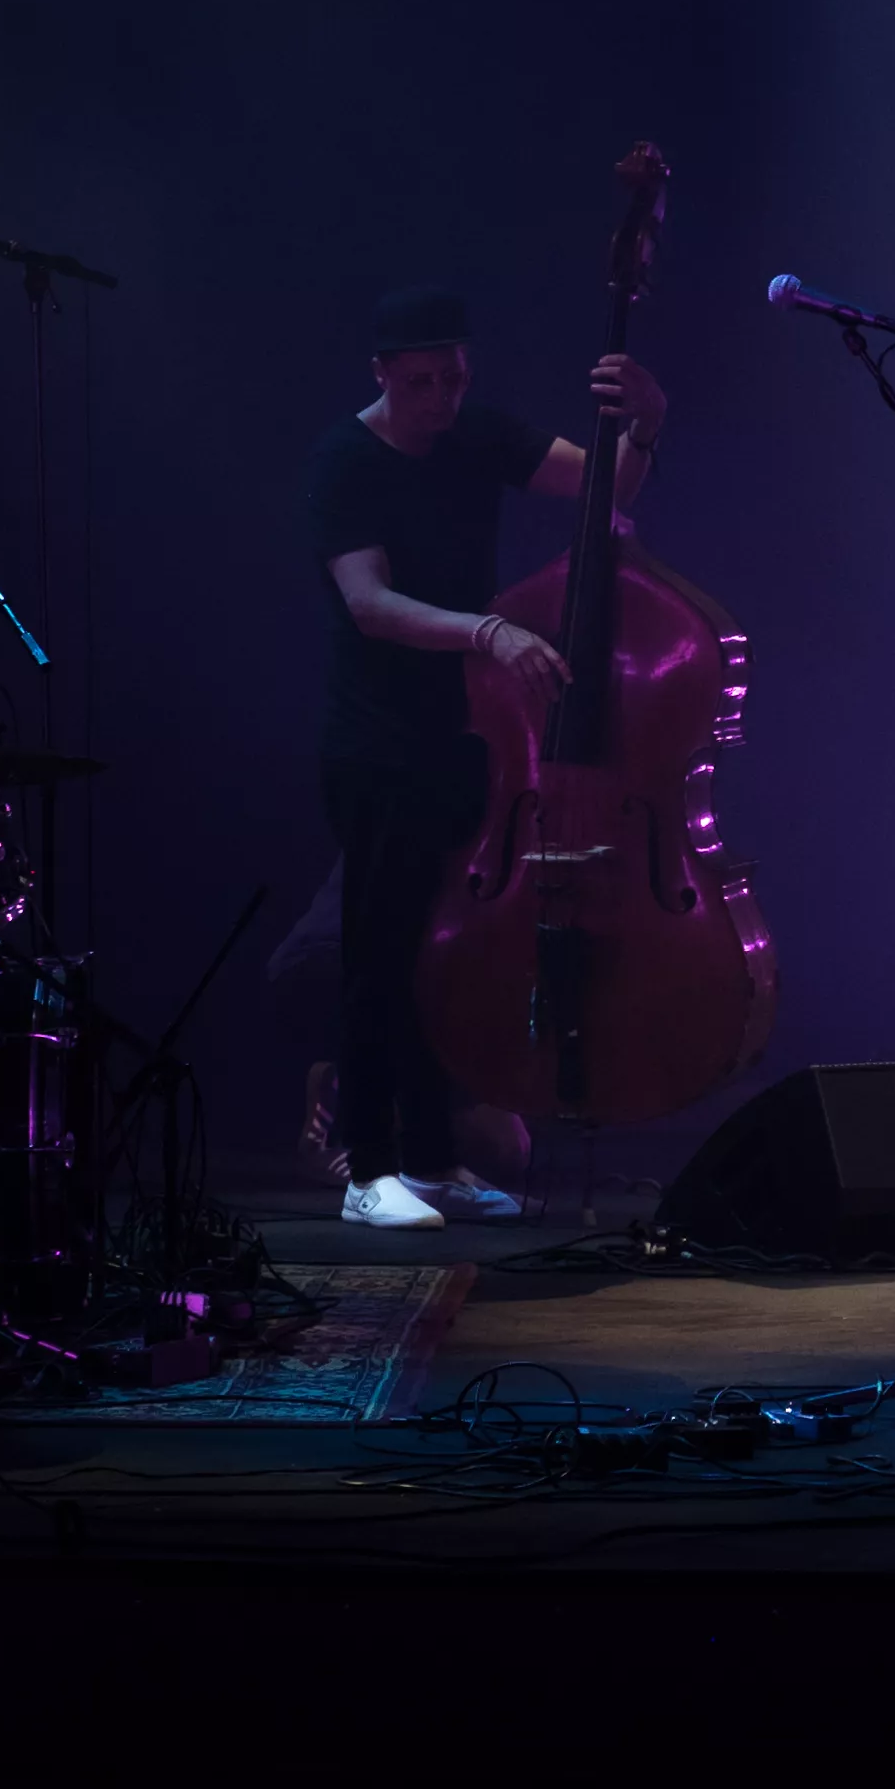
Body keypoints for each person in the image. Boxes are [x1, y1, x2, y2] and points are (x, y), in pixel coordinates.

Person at [309, 283, 668, 1231]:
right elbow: (368, 605)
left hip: (469, 738)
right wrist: (488, 631)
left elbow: (607, 488)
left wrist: (647, 423)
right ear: (382, 374)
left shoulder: (477, 434)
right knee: (378, 955)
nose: (440, 398)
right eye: (420, 382)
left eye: (453, 378)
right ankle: (366, 1170)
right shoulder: (347, 461)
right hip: (377, 741)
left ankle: (431, 1162)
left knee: (446, 956)